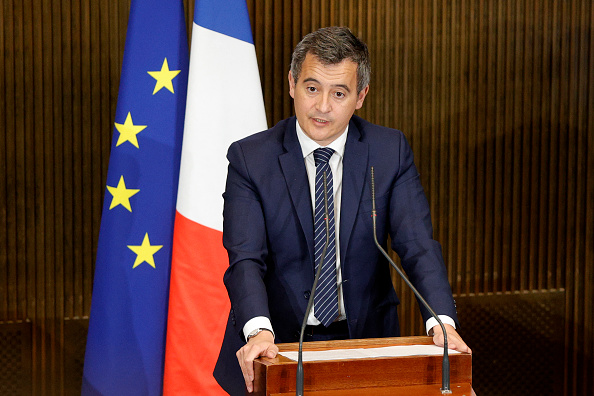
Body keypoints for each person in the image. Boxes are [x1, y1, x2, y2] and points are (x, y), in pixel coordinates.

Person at [213, 26, 471, 395]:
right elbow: (245, 258)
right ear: (292, 84)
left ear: (361, 96)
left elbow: (417, 245)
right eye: (312, 88)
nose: (322, 107)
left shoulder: (388, 152)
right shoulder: (251, 158)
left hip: (368, 345)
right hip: (277, 346)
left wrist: (441, 322)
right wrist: (258, 330)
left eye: (339, 93)